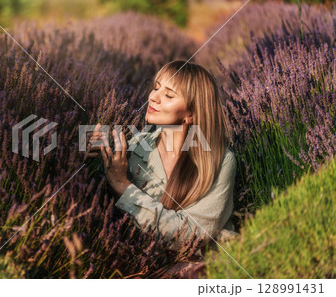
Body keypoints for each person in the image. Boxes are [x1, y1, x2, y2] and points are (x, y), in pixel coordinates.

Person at [85, 60, 239, 258]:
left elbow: (191, 235)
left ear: (190, 115)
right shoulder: (136, 147)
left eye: (168, 95)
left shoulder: (220, 161)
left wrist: (122, 184)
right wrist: (91, 160)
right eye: (156, 88)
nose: (153, 98)